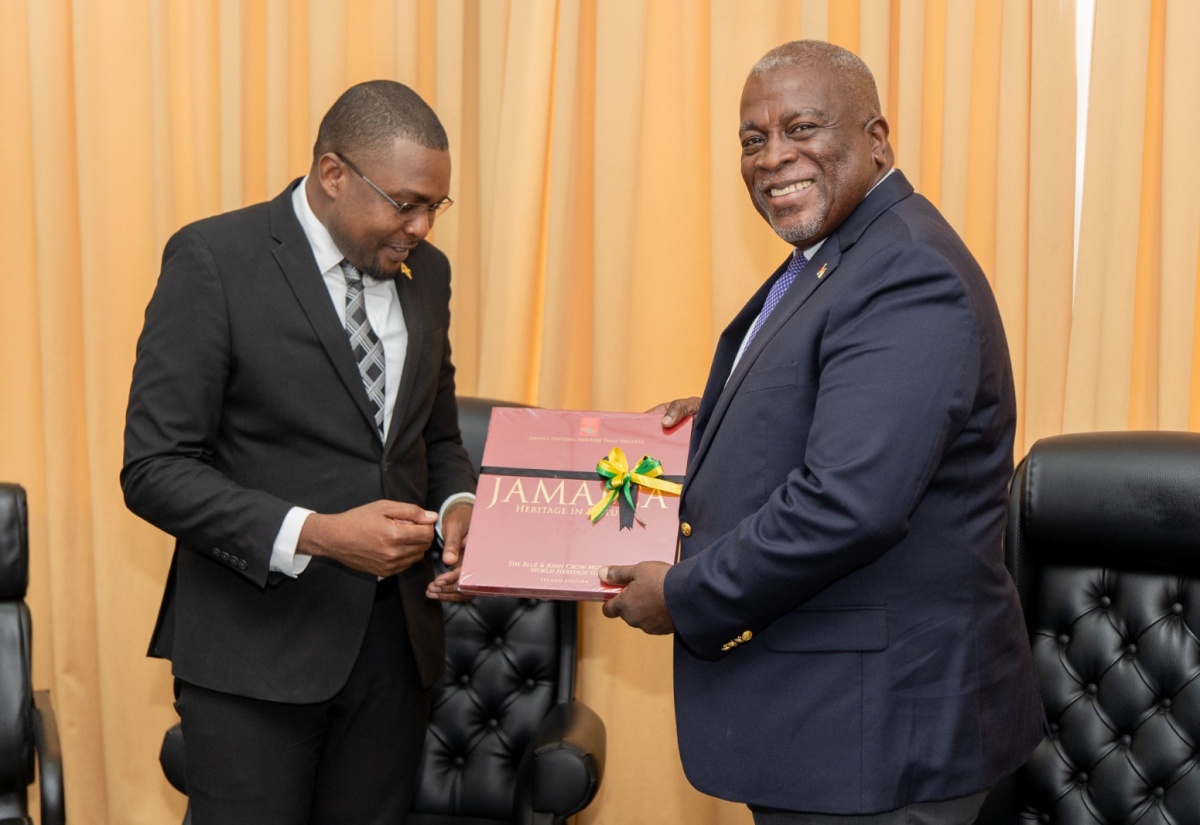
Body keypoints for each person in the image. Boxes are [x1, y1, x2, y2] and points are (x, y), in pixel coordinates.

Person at [600, 40, 1044, 824]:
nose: (774, 158)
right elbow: (849, 407)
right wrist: (732, 411)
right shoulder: (843, 249)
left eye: (802, 128)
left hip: (881, 742)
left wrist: (682, 592)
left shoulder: (907, 271)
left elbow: (849, 501)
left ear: (877, 138)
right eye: (753, 138)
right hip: (836, 727)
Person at [122, 80, 476, 824]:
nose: (420, 226)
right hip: (253, 650)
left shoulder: (429, 276)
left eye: (434, 207)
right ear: (333, 174)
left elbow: (433, 435)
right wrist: (319, 532)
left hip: (395, 650)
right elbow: (155, 469)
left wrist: (458, 507)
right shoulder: (214, 259)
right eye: (404, 202)